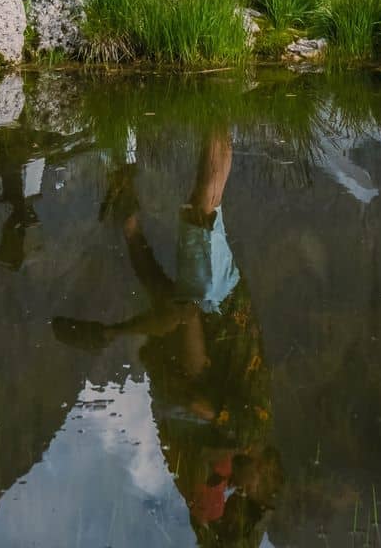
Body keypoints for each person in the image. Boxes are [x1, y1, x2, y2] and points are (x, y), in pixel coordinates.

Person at [51, 126, 281, 545]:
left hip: (212, 312)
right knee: (202, 211)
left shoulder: (238, 440)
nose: (240, 489)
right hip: (216, 304)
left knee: (153, 271)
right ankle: (214, 112)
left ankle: (125, 188)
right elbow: (194, 401)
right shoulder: (247, 433)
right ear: (266, 469)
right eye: (251, 492)